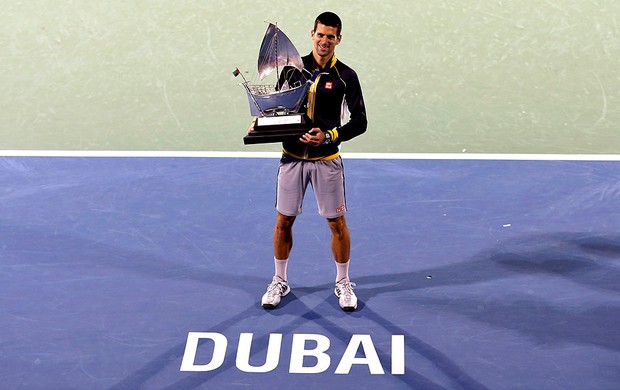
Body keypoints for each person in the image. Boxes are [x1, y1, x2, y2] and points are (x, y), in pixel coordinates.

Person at [260, 11, 367, 311]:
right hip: (292, 159)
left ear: (338, 40)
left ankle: (343, 282)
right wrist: (259, 125)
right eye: (320, 35)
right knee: (284, 221)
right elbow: (279, 111)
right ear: (312, 34)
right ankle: (279, 279)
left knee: (336, 223)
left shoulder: (346, 77)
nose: (324, 41)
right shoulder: (292, 70)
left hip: (326, 162)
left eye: (330, 36)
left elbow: (360, 122)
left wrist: (330, 135)